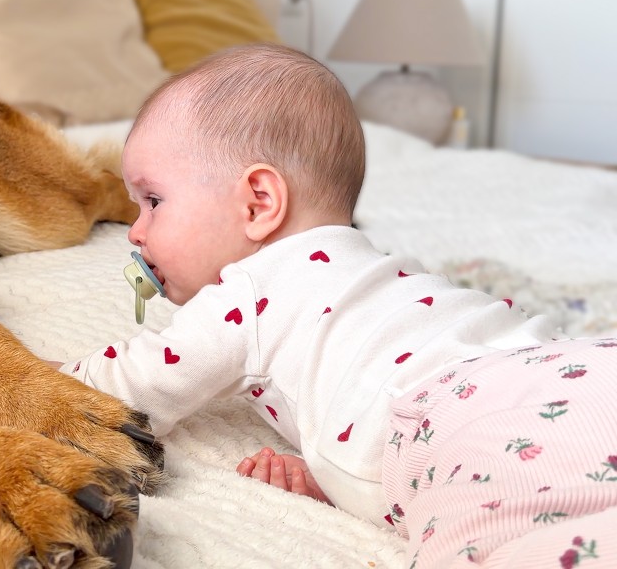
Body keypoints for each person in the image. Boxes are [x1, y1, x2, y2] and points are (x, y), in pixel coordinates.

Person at [59, 43, 617, 568]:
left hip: (471, 419)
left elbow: (122, 392)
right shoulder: (377, 266)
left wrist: (19, 381)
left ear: (259, 202)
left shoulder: (248, 292)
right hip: (571, 362)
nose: (135, 232)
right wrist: (329, 475)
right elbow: (368, 371)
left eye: (153, 201)